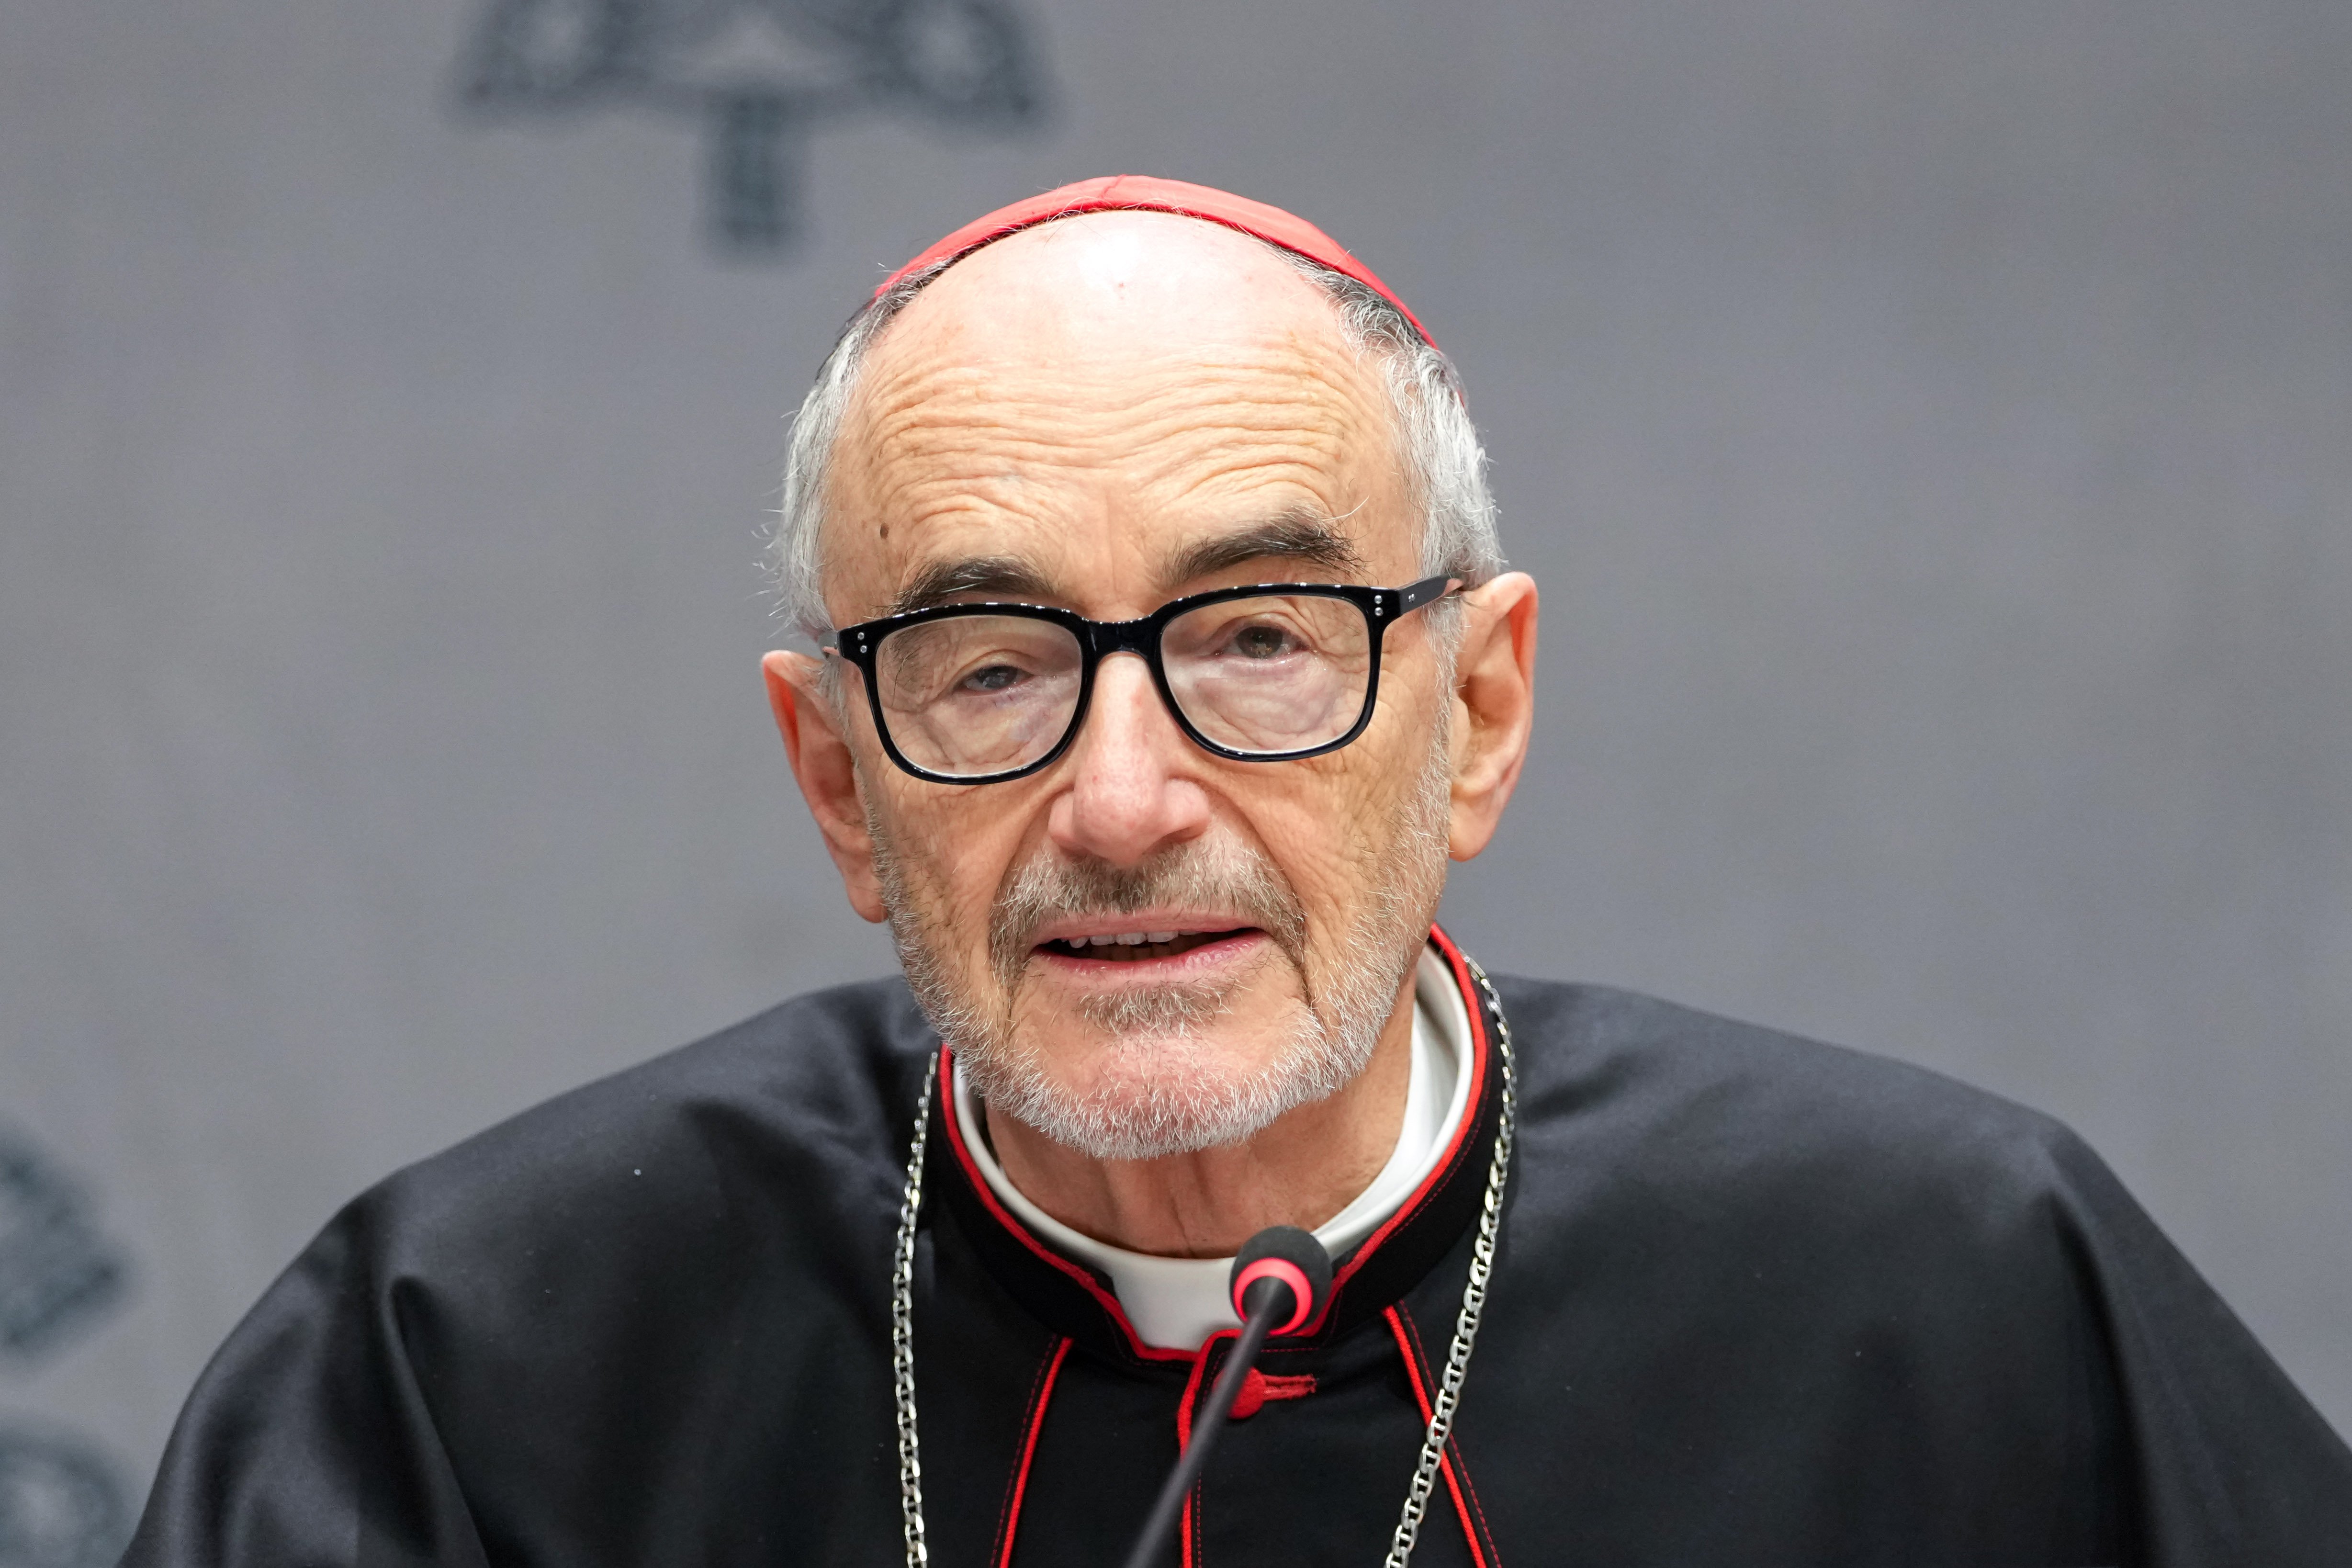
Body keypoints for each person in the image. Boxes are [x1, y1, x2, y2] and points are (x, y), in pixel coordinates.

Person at [124, 177, 2351, 1567]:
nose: (1119, 801)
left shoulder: (1945, 1295)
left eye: (1256, 645)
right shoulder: (475, 1362)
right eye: (988, 668)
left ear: (1474, 713)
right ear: (834, 787)